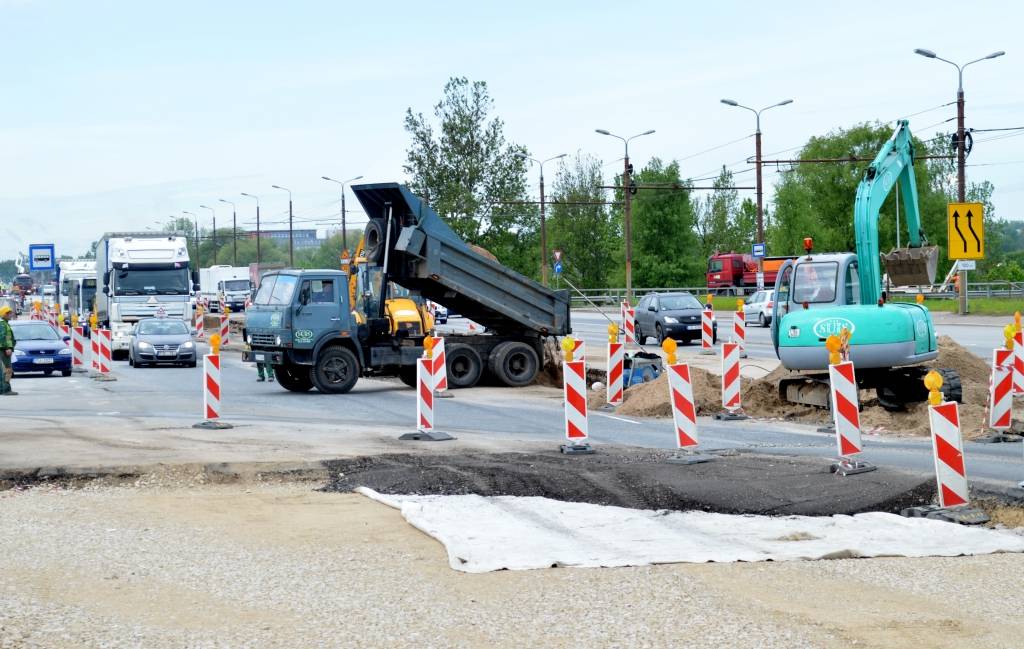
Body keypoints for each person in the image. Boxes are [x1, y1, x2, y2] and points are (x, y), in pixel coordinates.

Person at [0, 305, 16, 395]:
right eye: (9, 313)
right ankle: (6, 390)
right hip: (4, 349)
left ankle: (3, 389)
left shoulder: (4, 323)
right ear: (4, 314)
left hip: (4, 349)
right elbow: (2, 337)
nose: (11, 315)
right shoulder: (2, 324)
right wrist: (7, 348)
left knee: (4, 369)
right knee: (7, 369)